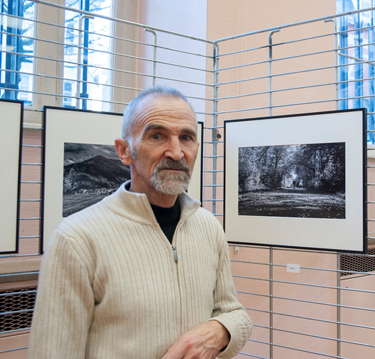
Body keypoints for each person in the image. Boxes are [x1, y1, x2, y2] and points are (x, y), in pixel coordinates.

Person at [29, 86, 252, 359]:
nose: (176, 152)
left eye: (186, 137)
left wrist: (218, 331)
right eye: (157, 136)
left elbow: (235, 313)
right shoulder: (76, 239)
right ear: (124, 151)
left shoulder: (207, 226)